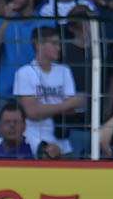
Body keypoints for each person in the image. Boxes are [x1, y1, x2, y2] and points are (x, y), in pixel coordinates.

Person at [0, 0, 55, 130]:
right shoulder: (4, 20)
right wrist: (6, 21)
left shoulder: (45, 23)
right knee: (0, 145)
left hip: (34, 95)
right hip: (5, 92)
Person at [13, 26, 84, 156]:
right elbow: (32, 112)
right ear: (39, 45)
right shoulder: (24, 73)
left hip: (62, 139)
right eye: (54, 43)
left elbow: (72, 111)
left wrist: (44, 108)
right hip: (34, 139)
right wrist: (65, 105)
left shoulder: (64, 71)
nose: (59, 48)